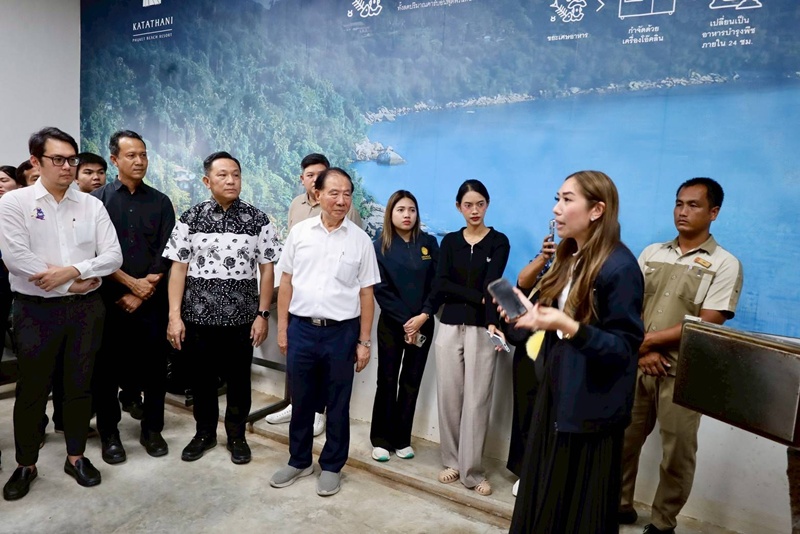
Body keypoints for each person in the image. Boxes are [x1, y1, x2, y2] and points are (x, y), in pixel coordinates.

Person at [499, 170, 644, 532]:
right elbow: (551, 324)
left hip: (590, 412)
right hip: (555, 397)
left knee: (578, 513)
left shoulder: (620, 267)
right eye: (557, 199)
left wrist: (569, 326)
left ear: (597, 210)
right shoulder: (568, 257)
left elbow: (624, 348)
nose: (556, 209)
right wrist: (529, 316)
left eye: (567, 200)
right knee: (544, 504)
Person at [0, 127, 122, 500]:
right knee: (32, 390)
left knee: (79, 385)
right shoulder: (15, 202)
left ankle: (76, 456)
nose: (68, 166)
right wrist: (71, 284)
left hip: (86, 310)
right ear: (36, 161)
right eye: (59, 159)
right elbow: (16, 258)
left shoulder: (91, 205)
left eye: (72, 159)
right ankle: (26, 463)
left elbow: (112, 256)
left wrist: (71, 271)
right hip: (35, 312)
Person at [619, 177, 743, 534]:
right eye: (679, 203)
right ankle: (620, 505)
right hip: (639, 364)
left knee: (677, 453)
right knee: (623, 440)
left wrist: (646, 342)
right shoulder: (651, 253)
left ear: (713, 212)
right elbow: (627, 304)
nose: (682, 211)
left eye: (693, 205)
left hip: (683, 373)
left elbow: (709, 321)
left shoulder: (724, 263)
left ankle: (663, 522)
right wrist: (643, 351)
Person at [269, 167, 380, 497]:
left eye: (347, 194)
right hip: (302, 329)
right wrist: (283, 328)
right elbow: (286, 282)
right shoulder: (300, 233)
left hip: (342, 333)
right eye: (334, 193)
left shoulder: (360, 241)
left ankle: (332, 465)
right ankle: (299, 460)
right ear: (317, 194)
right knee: (301, 400)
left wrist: (364, 341)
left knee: (338, 403)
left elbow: (366, 294)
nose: (341, 200)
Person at [164, 151, 279, 465]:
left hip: (242, 320)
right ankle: (204, 434)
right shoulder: (190, 218)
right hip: (197, 318)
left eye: (236, 175)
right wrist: (174, 316)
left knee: (240, 382)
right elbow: (178, 269)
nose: (231, 181)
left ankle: (237, 436)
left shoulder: (258, 220)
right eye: (223, 175)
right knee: (201, 381)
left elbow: (267, 269)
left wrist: (262, 314)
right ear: (207, 180)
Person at [91, 130, 175, 464]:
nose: (139, 161)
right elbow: (94, 253)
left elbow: (168, 251)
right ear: (115, 160)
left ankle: (152, 430)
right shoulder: (96, 201)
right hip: (108, 301)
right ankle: (109, 434)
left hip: (151, 302)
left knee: (155, 369)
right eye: (131, 155)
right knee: (106, 371)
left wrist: (143, 291)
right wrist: (128, 286)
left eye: (143, 154)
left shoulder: (160, 202)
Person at [266, 153, 362, 435]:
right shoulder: (297, 206)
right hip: (301, 303)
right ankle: (296, 405)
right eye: (310, 175)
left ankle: (319, 412)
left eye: (321, 174)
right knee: (299, 366)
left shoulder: (346, 213)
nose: (315, 180)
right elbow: (289, 268)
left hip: (334, 311)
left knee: (330, 377)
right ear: (305, 180)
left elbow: (354, 262)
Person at [430, 179, 510, 497]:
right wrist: (477, 297)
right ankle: (451, 461)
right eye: (468, 205)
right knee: (449, 396)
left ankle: (473, 471)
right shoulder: (450, 242)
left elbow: (492, 284)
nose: (474, 210)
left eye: (479, 204)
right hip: (449, 326)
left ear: (487, 205)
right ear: (458, 207)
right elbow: (441, 283)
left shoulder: (499, 242)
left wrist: (490, 318)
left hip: (482, 328)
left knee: (477, 400)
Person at [369, 190, 439, 462]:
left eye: (411, 209)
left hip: (424, 323)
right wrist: (407, 323)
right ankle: (381, 439)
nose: (407, 215)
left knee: (411, 381)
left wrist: (423, 315)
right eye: (401, 210)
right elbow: (381, 289)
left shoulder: (429, 243)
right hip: (392, 324)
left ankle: (402, 439)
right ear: (391, 213)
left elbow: (437, 284)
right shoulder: (379, 246)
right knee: (386, 380)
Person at [503, 233, 556, 497]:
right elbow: (522, 281)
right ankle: (524, 471)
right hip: (527, 350)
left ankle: (544, 473)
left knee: (548, 416)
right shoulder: (545, 262)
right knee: (524, 412)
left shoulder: (581, 267)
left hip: (556, 350)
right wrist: (544, 257)